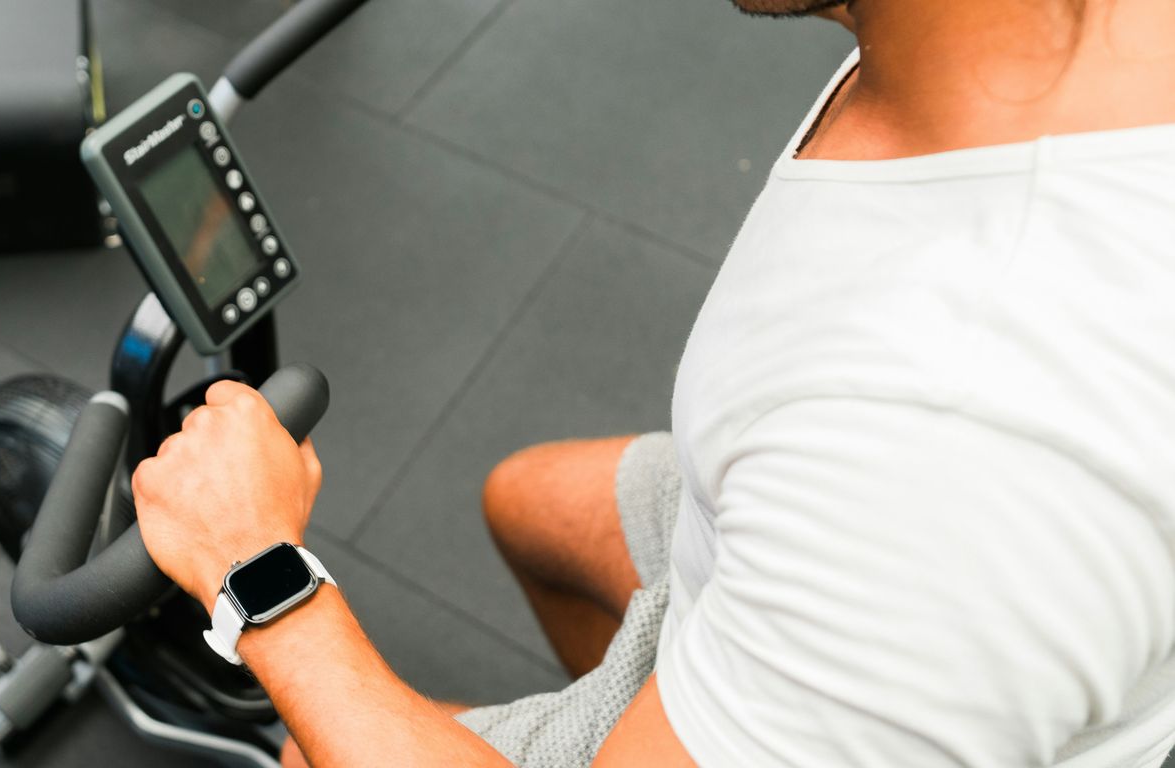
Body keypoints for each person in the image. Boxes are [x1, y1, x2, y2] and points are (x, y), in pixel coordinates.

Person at [130, 0, 1175, 764]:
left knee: (311, 760)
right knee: (529, 501)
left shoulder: (946, 452)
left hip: (906, 539)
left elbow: (926, 488)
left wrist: (256, 571)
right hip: (843, 534)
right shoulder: (1031, 54)